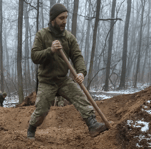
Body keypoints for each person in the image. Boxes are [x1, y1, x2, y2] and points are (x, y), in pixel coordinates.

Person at [27, 3, 107, 139]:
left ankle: (92, 125)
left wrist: (81, 72)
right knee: (41, 110)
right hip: (47, 80)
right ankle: (31, 130)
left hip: (62, 80)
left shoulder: (69, 38)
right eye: (61, 18)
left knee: (80, 97)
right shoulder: (42, 35)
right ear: (53, 20)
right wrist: (50, 50)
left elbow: (77, 56)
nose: (64, 21)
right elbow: (35, 57)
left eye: (66, 18)